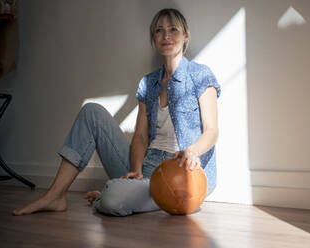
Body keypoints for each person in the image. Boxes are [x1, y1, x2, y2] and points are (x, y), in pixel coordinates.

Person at [12, 8, 221, 217]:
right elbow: (140, 136)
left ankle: (110, 194)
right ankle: (55, 195)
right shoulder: (148, 82)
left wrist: (192, 151)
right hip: (147, 166)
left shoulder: (200, 75)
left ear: (186, 35)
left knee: (113, 201)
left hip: (183, 171)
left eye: (173, 29)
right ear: (153, 38)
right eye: (159, 31)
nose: (166, 36)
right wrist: (137, 170)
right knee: (91, 111)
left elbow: (212, 131)